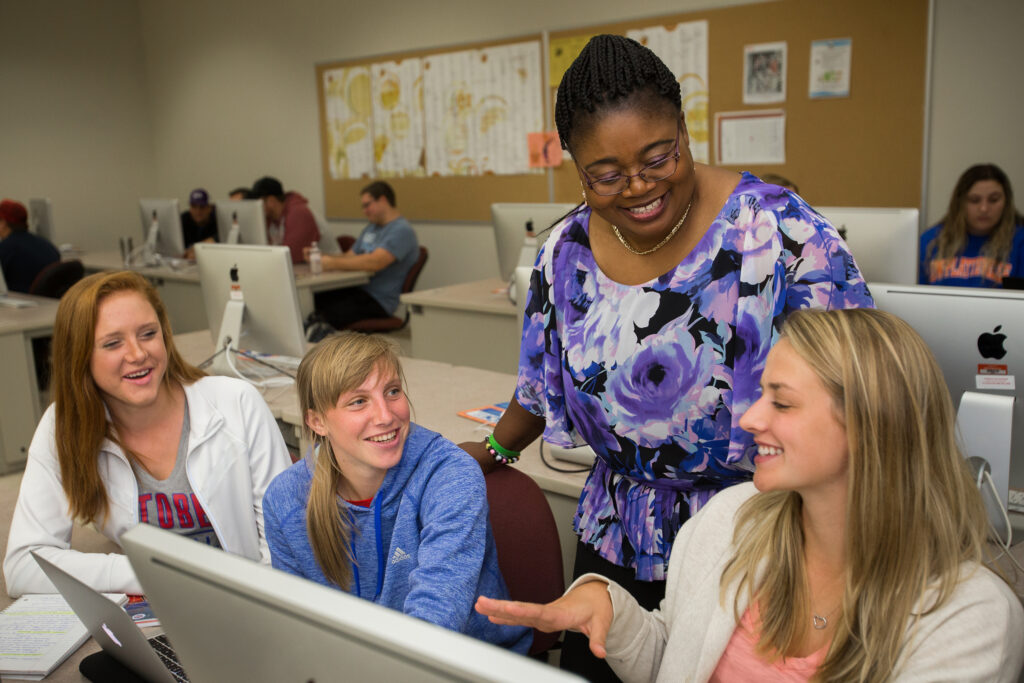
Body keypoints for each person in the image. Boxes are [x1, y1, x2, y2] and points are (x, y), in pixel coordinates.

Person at [458, 34, 873, 680]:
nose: (639, 186)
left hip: (759, 537)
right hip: (615, 534)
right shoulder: (563, 253)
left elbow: (866, 390)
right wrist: (495, 451)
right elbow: (539, 387)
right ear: (575, 167)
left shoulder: (783, 235)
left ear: (684, 128)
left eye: (659, 156)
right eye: (607, 174)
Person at [477, 308, 1024, 682]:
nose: (751, 419)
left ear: (870, 425)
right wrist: (613, 612)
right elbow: (679, 656)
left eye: (781, 404)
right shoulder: (734, 521)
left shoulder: (968, 618)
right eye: (760, 394)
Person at [3, 271, 291, 597]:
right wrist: (150, 574)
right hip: (154, 604)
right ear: (80, 356)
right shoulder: (65, 426)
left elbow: (286, 548)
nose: (137, 354)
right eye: (112, 343)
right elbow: (23, 567)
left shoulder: (237, 403)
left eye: (148, 333)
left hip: (246, 602)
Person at [262, 332, 531, 653]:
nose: (386, 416)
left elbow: (435, 626)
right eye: (358, 401)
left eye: (392, 392)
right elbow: (299, 628)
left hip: (464, 663)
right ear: (317, 421)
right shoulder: (286, 499)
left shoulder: (449, 476)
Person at [303, 181, 419, 339]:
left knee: (324, 312)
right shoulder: (372, 228)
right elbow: (349, 256)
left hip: (378, 299)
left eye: (367, 205)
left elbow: (375, 262)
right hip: (360, 291)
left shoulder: (401, 231)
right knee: (314, 300)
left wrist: (331, 263)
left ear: (383, 200)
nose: (365, 211)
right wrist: (320, 257)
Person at [919, 163, 1024, 287]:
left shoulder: (1020, 241)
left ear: (1006, 202)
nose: (984, 208)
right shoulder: (930, 241)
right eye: (974, 200)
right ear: (960, 203)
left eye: (993, 200)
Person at [250, 176, 321, 264]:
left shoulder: (298, 212)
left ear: (271, 201)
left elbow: (291, 255)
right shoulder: (271, 219)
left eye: (258, 203)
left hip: (329, 270)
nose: (256, 208)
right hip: (305, 268)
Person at [0, 198, 60, 293]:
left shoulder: (5, 249)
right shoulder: (47, 245)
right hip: (49, 302)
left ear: (3, 223)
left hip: (22, 300)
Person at [181, 188, 218, 260]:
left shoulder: (217, 221)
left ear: (209, 208)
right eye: (194, 207)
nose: (198, 211)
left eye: (202, 207)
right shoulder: (183, 219)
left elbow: (219, 238)